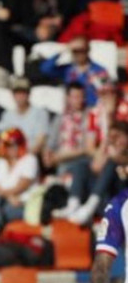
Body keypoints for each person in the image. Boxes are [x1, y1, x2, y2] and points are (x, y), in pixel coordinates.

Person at [44, 83, 97, 218]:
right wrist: (49, 156)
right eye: (75, 96)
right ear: (68, 98)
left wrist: (61, 156)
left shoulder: (90, 115)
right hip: (62, 163)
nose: (79, 100)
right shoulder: (60, 118)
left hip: (83, 161)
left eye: (81, 96)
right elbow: (50, 145)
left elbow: (87, 148)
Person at [40, 36, 108, 106]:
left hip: (91, 110)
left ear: (88, 50)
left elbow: (106, 94)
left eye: (82, 50)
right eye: (75, 51)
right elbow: (45, 69)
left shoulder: (99, 71)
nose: (78, 54)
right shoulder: (67, 69)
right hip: (71, 111)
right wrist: (64, 49)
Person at [0, 77, 49, 156]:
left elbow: (40, 142)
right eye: (17, 92)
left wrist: (21, 156)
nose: (20, 96)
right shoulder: (7, 115)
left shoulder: (40, 113)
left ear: (29, 94)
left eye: (23, 92)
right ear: (13, 95)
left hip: (30, 156)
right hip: (10, 157)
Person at [0, 128, 40, 225]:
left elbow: (22, 186)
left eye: (16, 143)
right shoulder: (1, 162)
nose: (12, 147)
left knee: (5, 210)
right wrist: (8, 197)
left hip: (23, 202)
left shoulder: (30, 159)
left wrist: (6, 195)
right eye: (8, 144)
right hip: (6, 199)